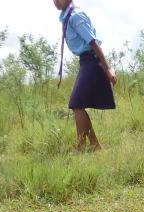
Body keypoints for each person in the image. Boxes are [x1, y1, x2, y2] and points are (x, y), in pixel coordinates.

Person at [55, 0, 117, 152]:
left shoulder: (76, 16)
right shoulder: (66, 15)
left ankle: (81, 146)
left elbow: (93, 43)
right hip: (85, 61)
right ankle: (95, 144)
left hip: (92, 60)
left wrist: (108, 68)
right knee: (78, 104)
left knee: (76, 104)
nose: (55, 1)